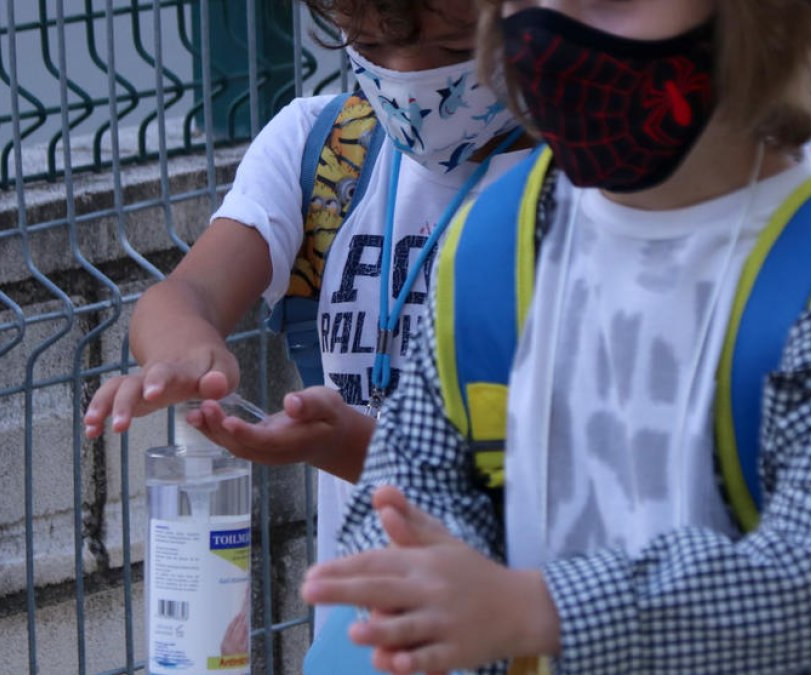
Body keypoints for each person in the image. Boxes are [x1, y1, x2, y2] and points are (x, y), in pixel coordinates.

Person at [300, 0, 811, 673]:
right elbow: (407, 484)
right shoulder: (490, 247)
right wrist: (423, 585)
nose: (549, 28)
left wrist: (542, 610)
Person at [81, 0, 530, 627]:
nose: (405, 77)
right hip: (356, 628)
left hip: (510, 615)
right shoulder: (322, 147)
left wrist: (355, 448)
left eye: (452, 52)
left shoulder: (579, 186)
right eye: (369, 49)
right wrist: (183, 346)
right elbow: (186, 294)